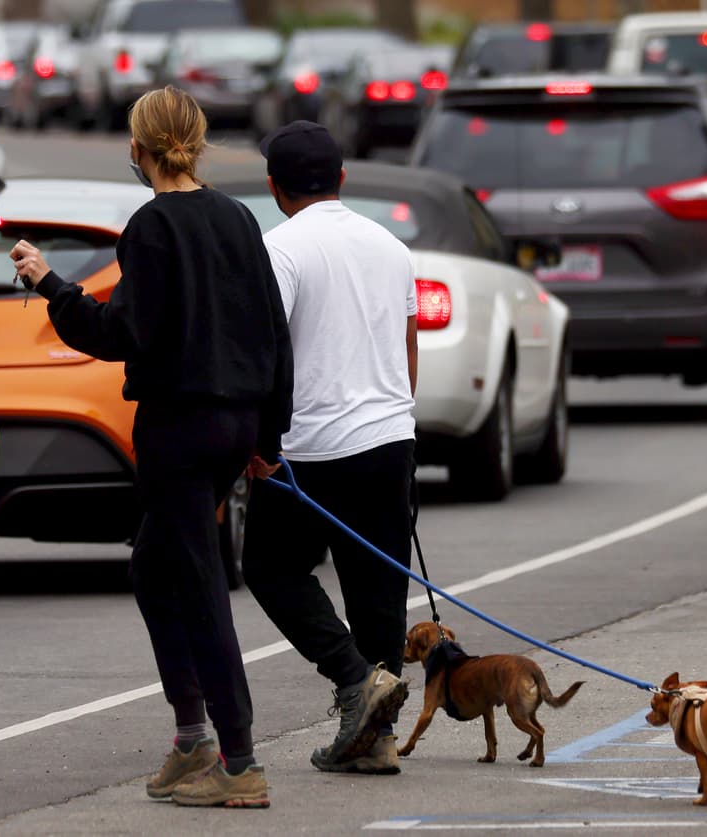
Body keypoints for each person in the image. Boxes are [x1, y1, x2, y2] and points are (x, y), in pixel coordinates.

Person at [9, 86, 293, 808]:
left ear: (138, 150)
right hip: (234, 423)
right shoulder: (237, 219)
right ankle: (193, 735)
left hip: (178, 427)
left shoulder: (152, 226)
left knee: (197, 585)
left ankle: (239, 758)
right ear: (194, 142)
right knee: (153, 567)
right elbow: (272, 331)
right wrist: (269, 436)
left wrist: (50, 285)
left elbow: (120, 333)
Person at [241, 120, 415, 776]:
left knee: (270, 567)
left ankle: (352, 680)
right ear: (342, 179)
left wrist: (259, 440)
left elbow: (268, 349)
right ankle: (378, 735)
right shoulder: (391, 246)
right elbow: (407, 345)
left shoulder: (279, 249)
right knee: (380, 592)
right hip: (388, 439)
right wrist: (400, 420)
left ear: (274, 186)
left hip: (307, 447)